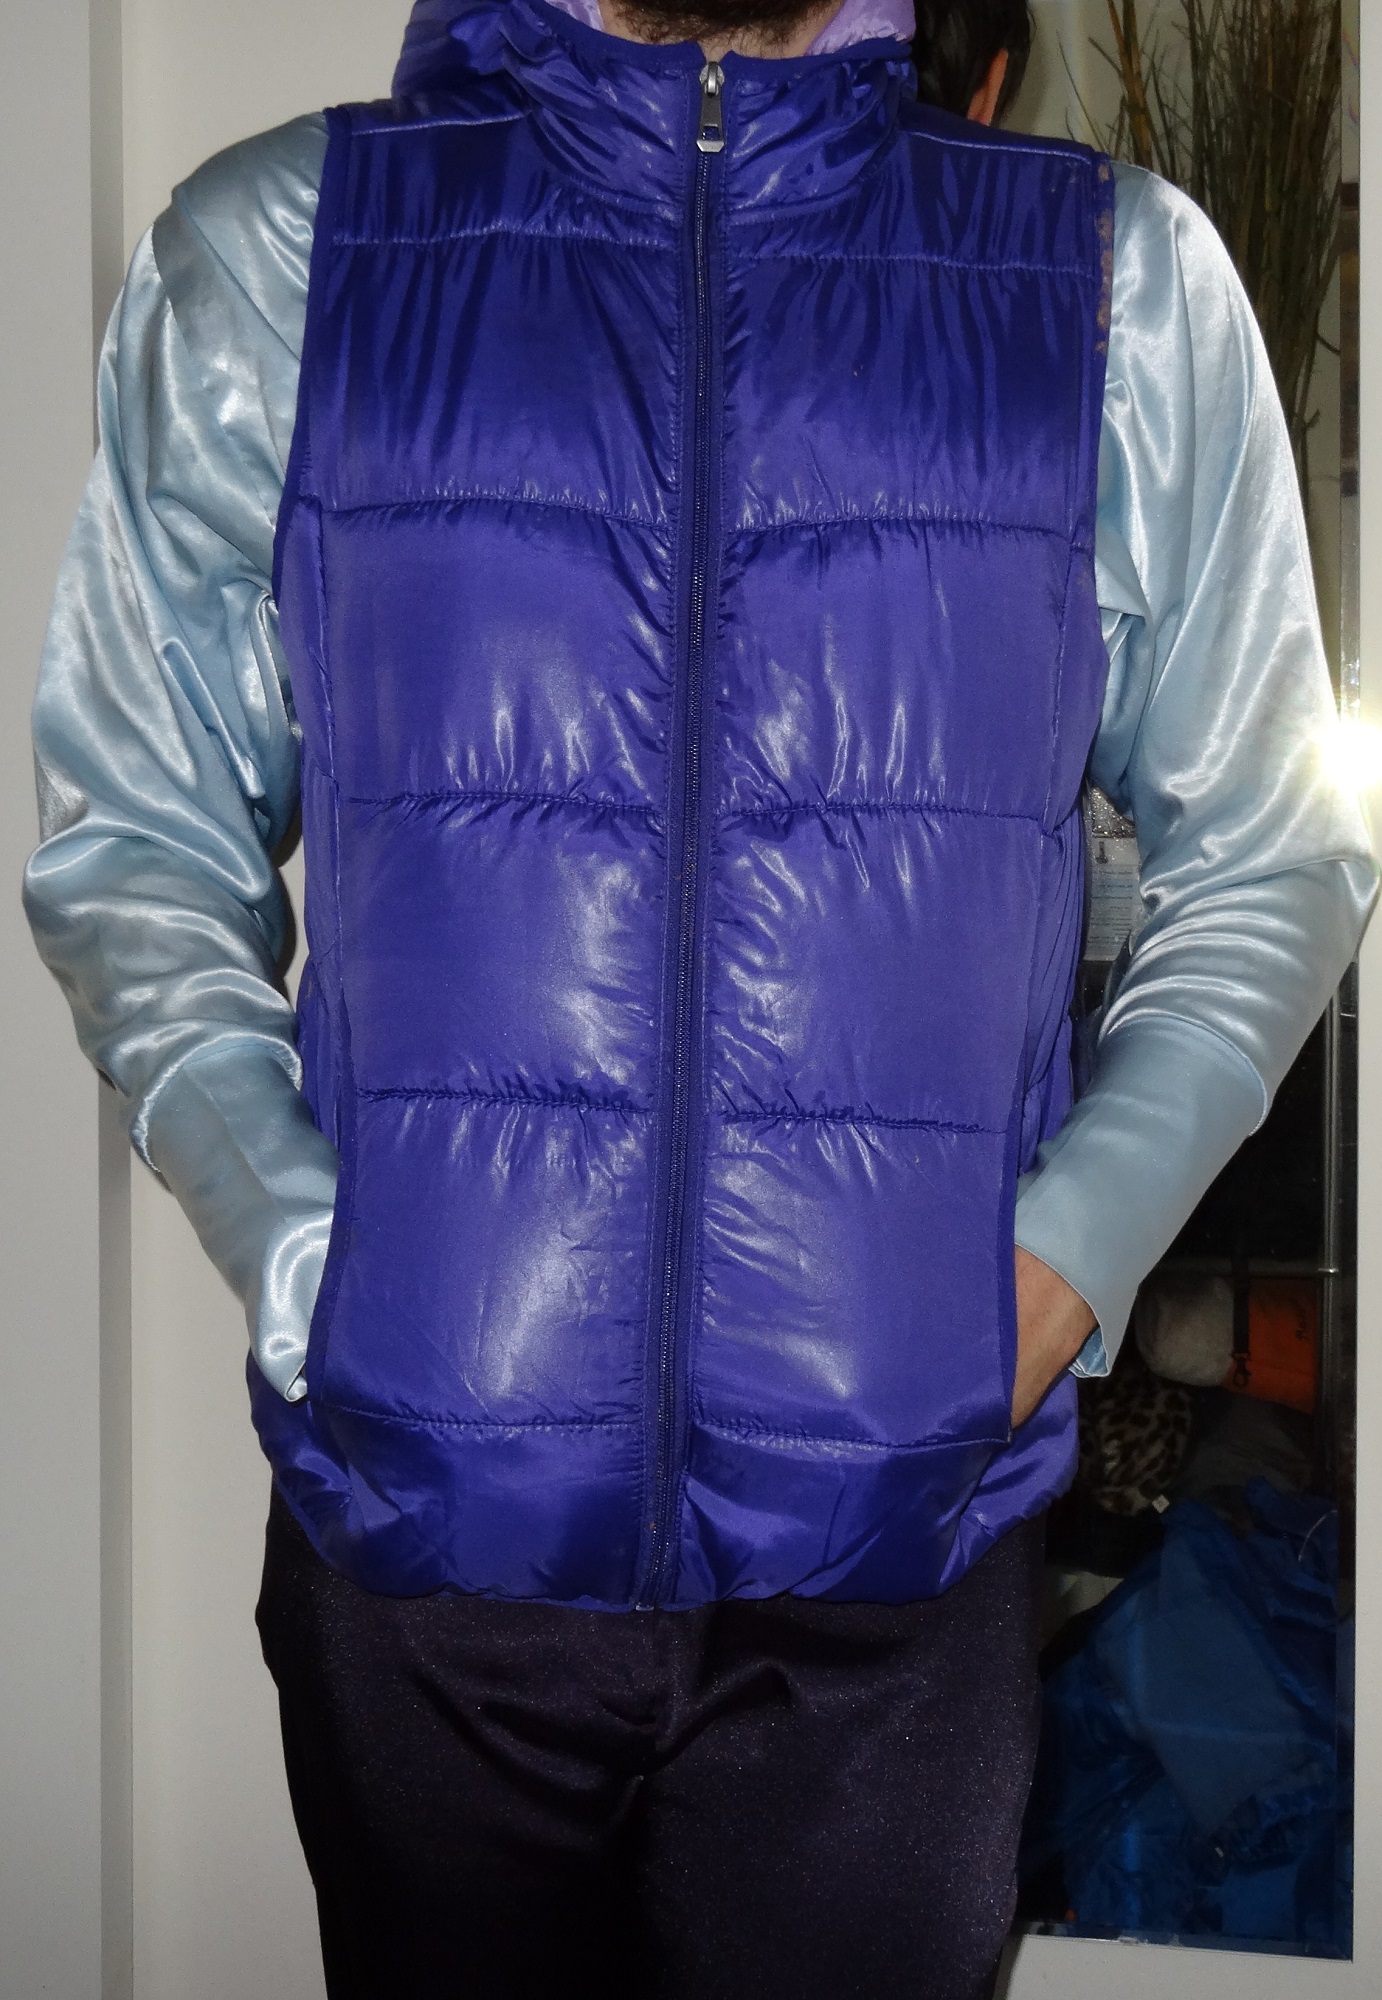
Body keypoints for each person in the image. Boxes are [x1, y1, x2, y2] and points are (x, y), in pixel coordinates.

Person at [23, 0, 1374, 1992]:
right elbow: (132, 835)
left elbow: (1272, 849)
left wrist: (1065, 1261)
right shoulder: (286, 255)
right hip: (428, 1556)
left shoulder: (1113, 288)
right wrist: (307, 1255)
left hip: (899, 1567)